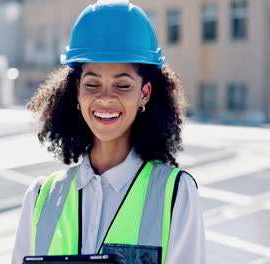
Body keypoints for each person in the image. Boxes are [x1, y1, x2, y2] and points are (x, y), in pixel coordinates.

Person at [12, 0, 206, 263]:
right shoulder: (40, 198)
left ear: (144, 93)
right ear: (77, 91)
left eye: (122, 85)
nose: (105, 98)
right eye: (92, 84)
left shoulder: (176, 194)